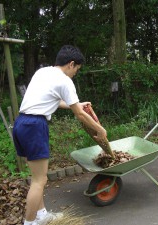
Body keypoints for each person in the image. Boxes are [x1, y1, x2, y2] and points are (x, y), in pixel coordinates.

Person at [13, 45, 107, 225]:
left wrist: (78, 104)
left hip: (21, 123)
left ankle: (41, 215)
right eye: (77, 69)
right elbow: (79, 114)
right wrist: (100, 130)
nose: (75, 73)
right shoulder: (65, 81)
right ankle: (30, 222)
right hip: (35, 126)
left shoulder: (43, 72)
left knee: (36, 178)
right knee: (40, 180)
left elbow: (52, 100)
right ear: (71, 64)